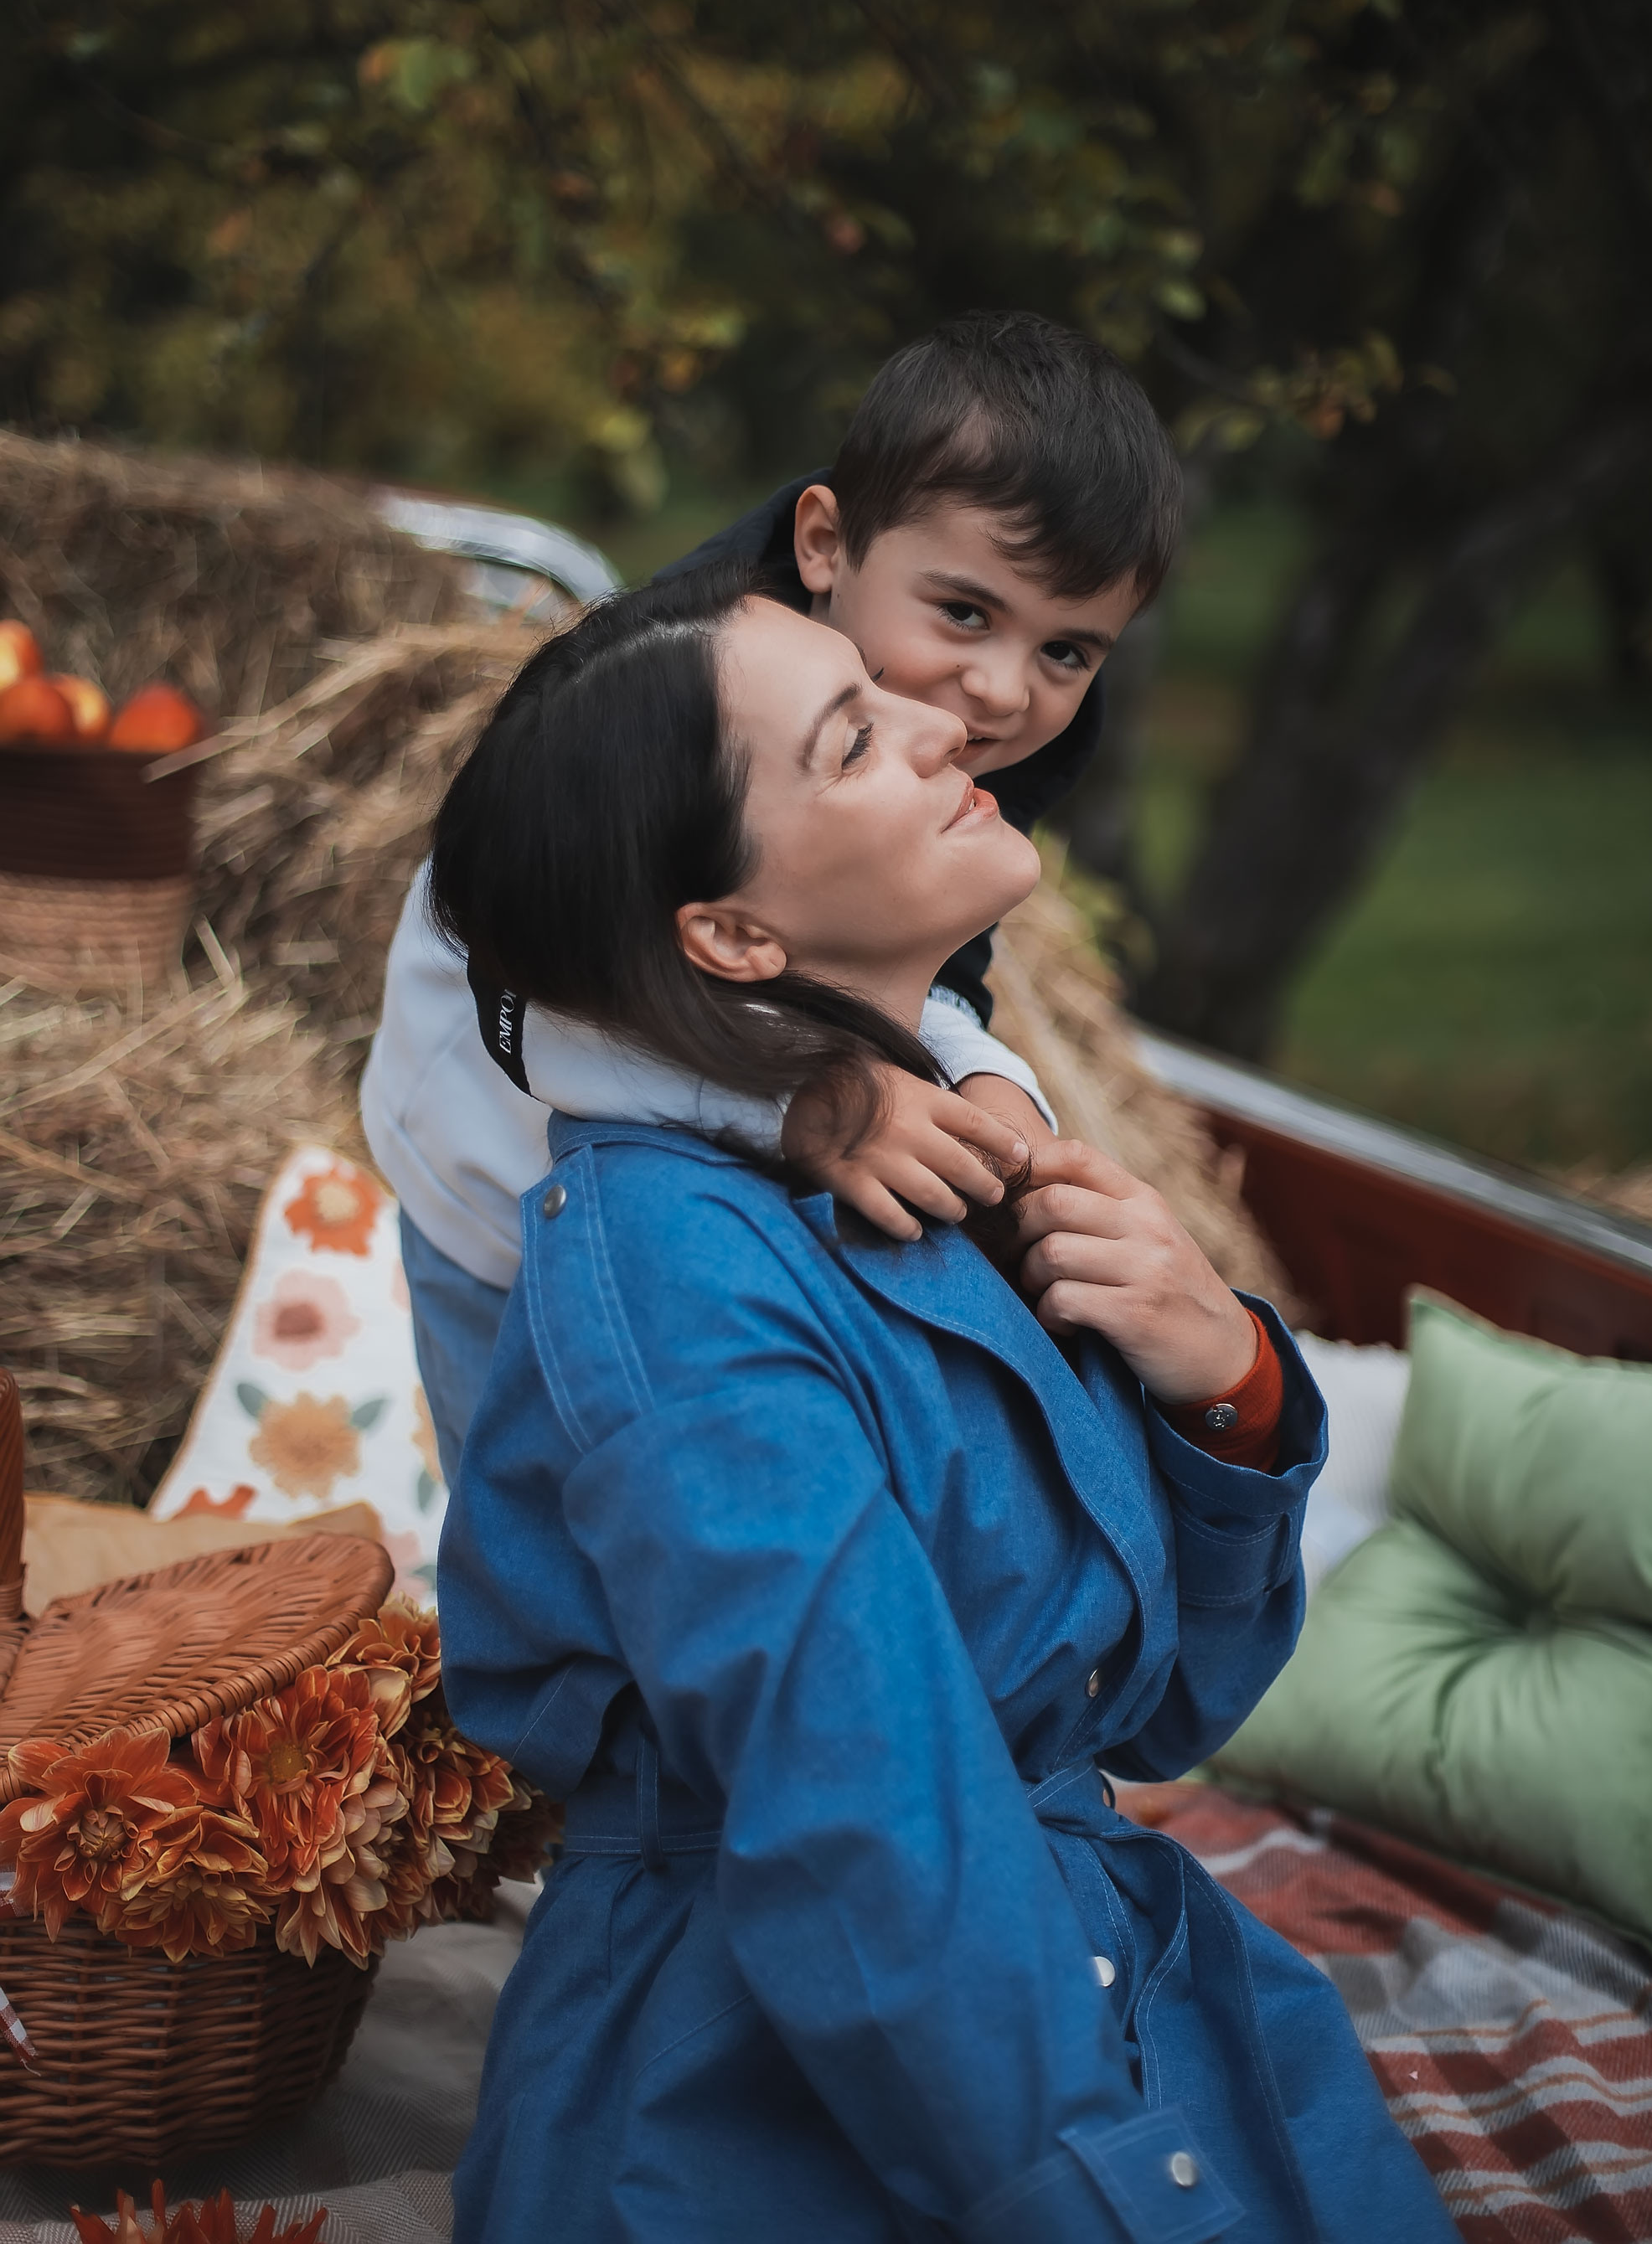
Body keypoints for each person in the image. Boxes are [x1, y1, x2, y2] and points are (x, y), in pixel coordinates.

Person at [430, 559, 1455, 2241]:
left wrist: (1232, 1390)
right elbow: (861, 1818)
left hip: (1092, 1966)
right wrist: (1119, 2197)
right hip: (775, 2070)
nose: (946, 713)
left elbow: (1151, 1706)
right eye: (850, 735)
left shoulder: (967, 1144)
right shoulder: (679, 1277)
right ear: (736, 934)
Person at [362, 311, 1180, 1480]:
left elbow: (919, 956)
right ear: (823, 544)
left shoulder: (967, 713)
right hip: (497, 1168)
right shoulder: (664, 703)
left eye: (1069, 652)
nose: (997, 696)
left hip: (689, 1175)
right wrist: (808, 1101)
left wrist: (985, 1078)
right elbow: (541, 990)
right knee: (533, 1502)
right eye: (965, 614)